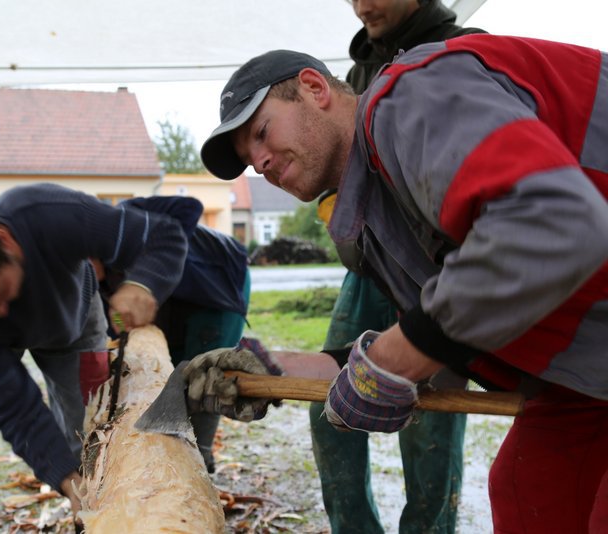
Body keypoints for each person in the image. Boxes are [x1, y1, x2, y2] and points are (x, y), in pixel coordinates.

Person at [193, 37, 608, 533]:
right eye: (248, 159)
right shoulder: (377, 224)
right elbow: (444, 340)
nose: (258, 162)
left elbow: (551, 222)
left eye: (262, 132)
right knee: (529, 490)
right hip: (585, 383)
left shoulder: (411, 95)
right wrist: (277, 369)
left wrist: (394, 361)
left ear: (313, 88)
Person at [0, 182, 188, 533]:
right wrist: (64, 477)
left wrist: (143, 284)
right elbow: (14, 404)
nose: (4, 313)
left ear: (4, 239)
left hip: (72, 318)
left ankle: (99, 520)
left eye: (1, 293)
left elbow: (164, 236)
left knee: (93, 429)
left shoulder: (50, 212)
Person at [310, 1, 484, 532]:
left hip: (440, 275)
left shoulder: (463, 52)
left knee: (433, 416)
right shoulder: (356, 75)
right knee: (329, 405)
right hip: (366, 271)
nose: (363, 4)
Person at [91, 194, 254, 472]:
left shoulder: (127, 217)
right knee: (170, 374)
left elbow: (191, 207)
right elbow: (114, 319)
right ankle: (171, 455)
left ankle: (200, 458)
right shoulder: (98, 281)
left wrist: (143, 277)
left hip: (216, 286)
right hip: (175, 306)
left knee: (202, 372)